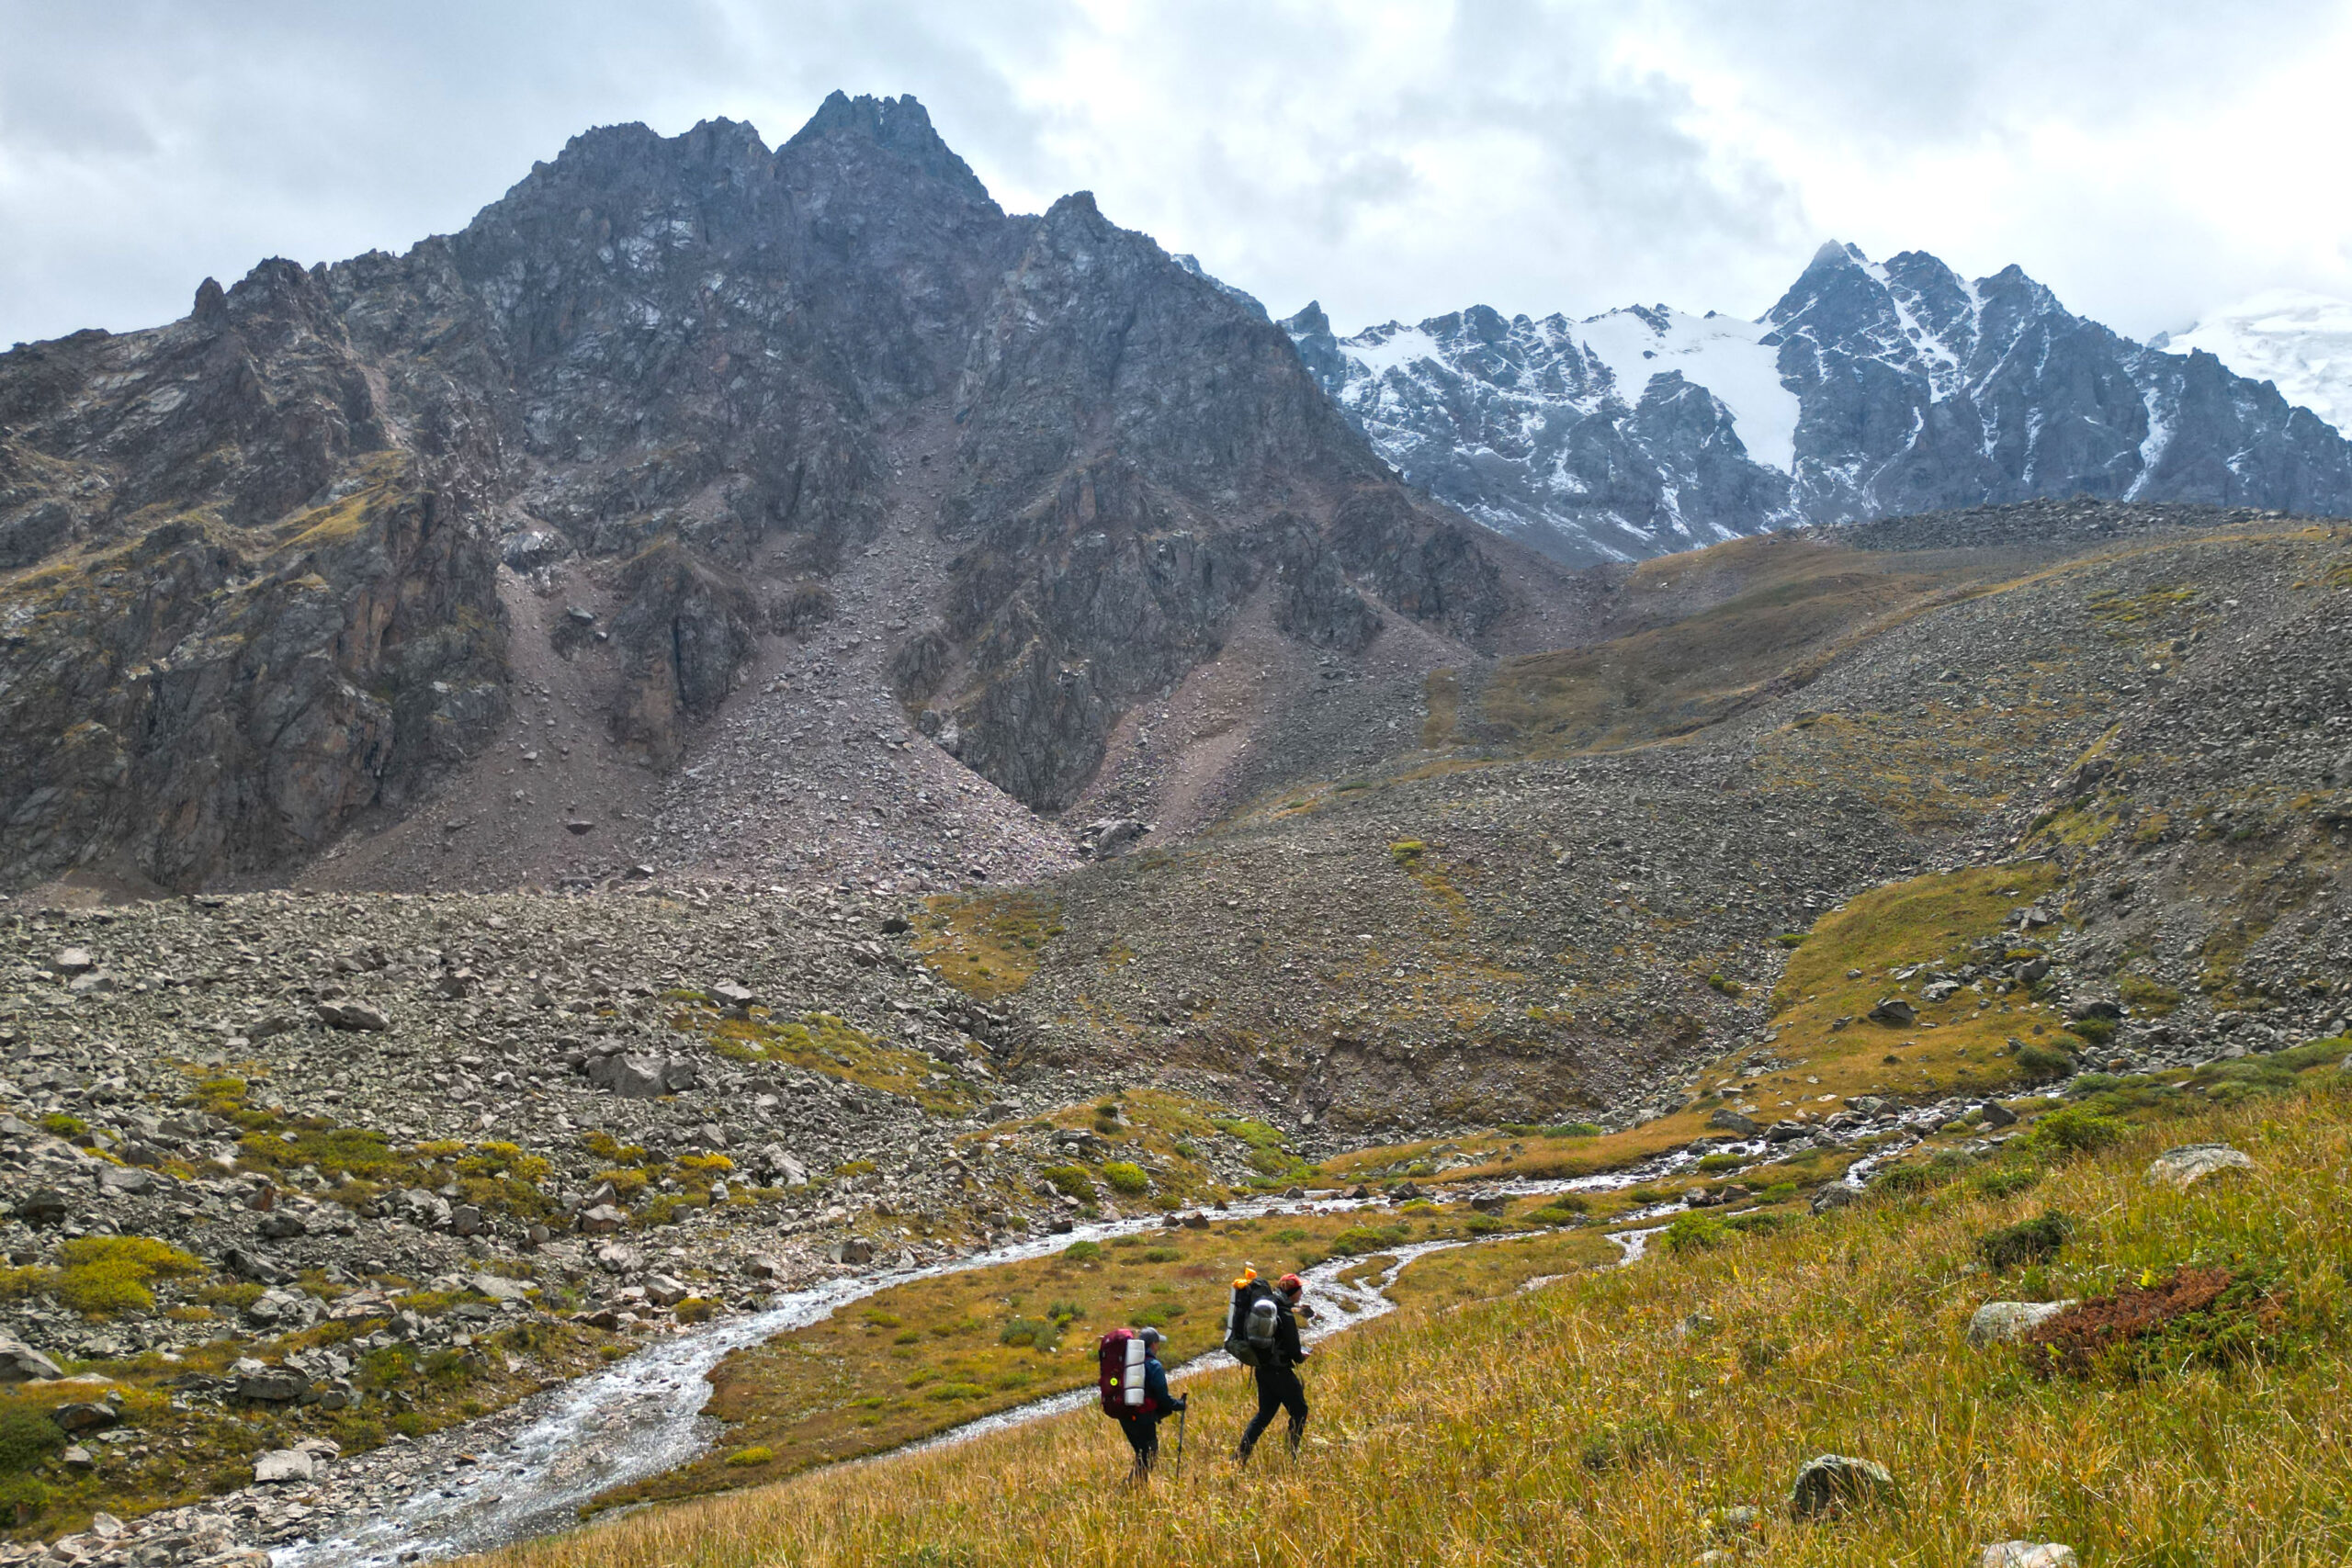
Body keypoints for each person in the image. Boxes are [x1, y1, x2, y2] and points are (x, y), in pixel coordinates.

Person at [1233, 1272, 1311, 1462]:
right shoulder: (1284, 1313)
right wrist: (1301, 1356)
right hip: (1280, 1372)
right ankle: (1292, 1453)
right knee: (1300, 1411)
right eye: (1300, 1289)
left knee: (1265, 1414)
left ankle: (1240, 1456)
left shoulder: (1271, 1306)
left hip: (1263, 1369)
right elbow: (1293, 1350)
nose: (1301, 1293)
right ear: (1293, 1292)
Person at [1118, 1326, 1185, 1477]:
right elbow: (1163, 1398)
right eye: (1157, 1343)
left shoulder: (1128, 1362)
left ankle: (1134, 1488)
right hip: (1143, 1417)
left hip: (1125, 1415)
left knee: (1141, 1454)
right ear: (1153, 1344)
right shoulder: (1154, 1365)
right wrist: (1180, 1405)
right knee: (1149, 1454)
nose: (1158, 1346)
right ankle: (1133, 1489)